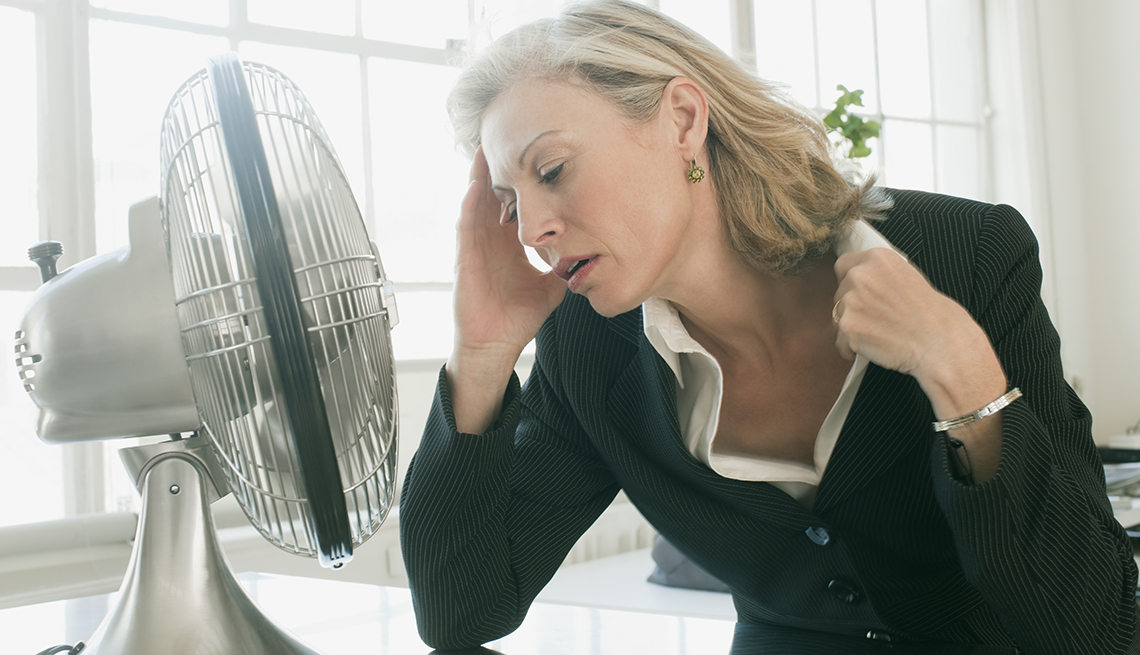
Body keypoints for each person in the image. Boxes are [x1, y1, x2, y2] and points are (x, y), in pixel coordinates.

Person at [398, 1, 1140, 653]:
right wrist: (483, 352)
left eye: (551, 170)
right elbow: (460, 610)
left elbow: (1098, 631)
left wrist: (958, 368)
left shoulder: (969, 255)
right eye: (508, 202)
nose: (533, 230)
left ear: (683, 120)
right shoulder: (587, 347)